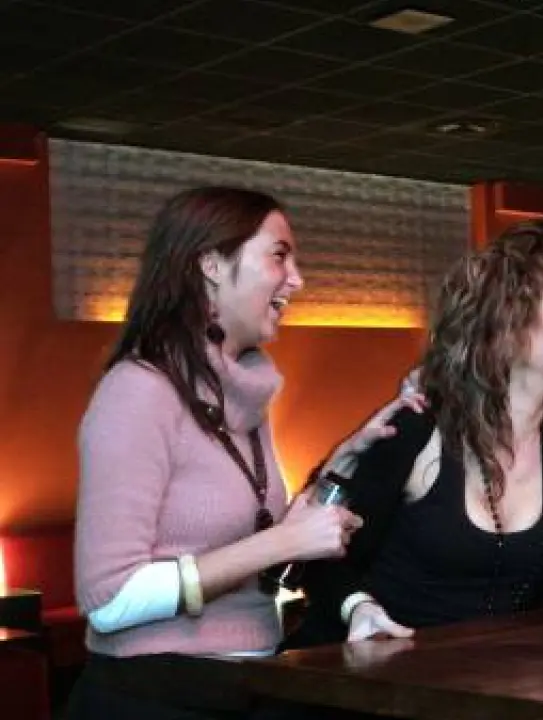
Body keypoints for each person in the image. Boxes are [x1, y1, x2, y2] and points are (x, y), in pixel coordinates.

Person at [289, 218, 543, 648]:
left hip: (495, 674)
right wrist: (358, 606)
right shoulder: (418, 423)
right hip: (378, 671)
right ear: (507, 319)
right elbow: (321, 557)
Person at [70, 187, 361, 720]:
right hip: (154, 696)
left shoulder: (242, 393)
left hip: (248, 682)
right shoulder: (138, 390)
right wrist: (278, 542)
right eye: (279, 255)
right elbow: (109, 600)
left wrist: (343, 467)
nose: (297, 279)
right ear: (210, 264)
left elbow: (254, 557)